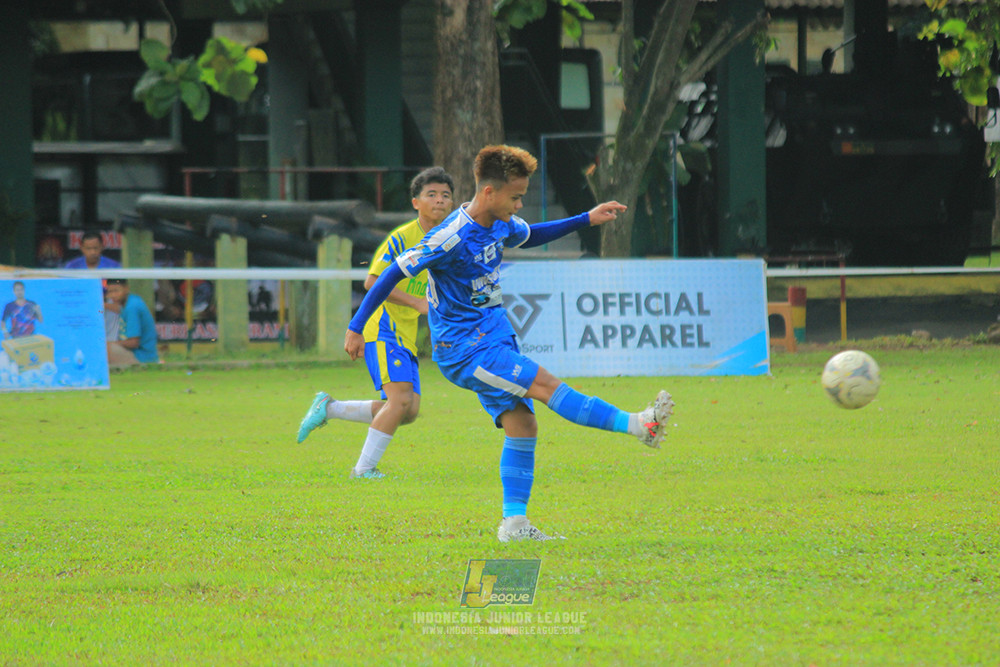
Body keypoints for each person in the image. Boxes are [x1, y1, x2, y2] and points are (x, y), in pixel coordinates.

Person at [343, 145, 674, 542]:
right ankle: (639, 425)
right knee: (546, 386)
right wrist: (356, 326)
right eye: (516, 197)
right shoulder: (450, 236)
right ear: (489, 193)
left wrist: (587, 218)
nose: (519, 205)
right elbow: (390, 273)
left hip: (494, 336)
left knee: (523, 423)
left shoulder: (500, 223)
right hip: (466, 350)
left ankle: (514, 525)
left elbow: (532, 235)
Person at [298, 167, 456, 478]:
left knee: (408, 411)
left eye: (446, 196)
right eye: (432, 195)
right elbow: (373, 282)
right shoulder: (402, 238)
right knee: (398, 401)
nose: (439, 200)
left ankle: (329, 408)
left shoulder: (446, 240)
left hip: (405, 332)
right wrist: (416, 303)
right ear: (416, 202)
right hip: (383, 326)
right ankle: (363, 470)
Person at [105, 279, 159, 366]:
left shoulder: (132, 308)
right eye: (110, 292)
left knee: (104, 348)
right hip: (141, 354)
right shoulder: (132, 300)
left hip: (141, 357)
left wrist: (110, 344)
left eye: (116, 291)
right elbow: (119, 310)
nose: (113, 295)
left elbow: (133, 343)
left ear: (126, 289)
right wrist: (103, 305)